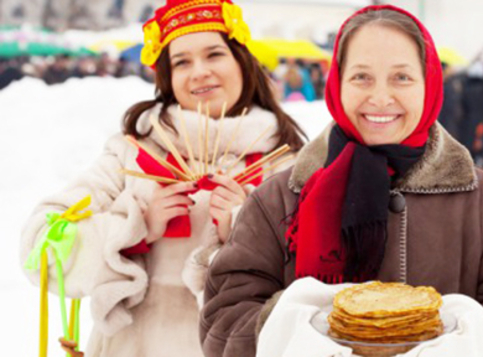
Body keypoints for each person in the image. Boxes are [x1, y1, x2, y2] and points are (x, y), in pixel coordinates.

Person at [200, 5, 483, 357]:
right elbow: (223, 323)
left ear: (429, 84)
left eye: (402, 77)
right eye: (361, 77)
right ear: (337, 84)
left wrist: (460, 340)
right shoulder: (277, 200)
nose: (381, 98)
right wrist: (303, 331)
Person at [19, 1, 305, 356]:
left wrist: (245, 236)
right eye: (181, 61)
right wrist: (134, 226)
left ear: (241, 62)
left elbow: (312, 285)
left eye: (214, 54)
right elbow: (40, 250)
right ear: (167, 77)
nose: (198, 72)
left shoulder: (288, 164)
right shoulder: (134, 153)